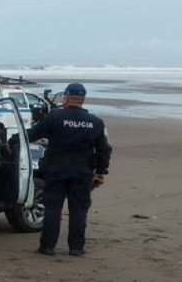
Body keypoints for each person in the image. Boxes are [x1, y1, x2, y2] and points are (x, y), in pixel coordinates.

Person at [9, 83, 112, 256]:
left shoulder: (54, 118)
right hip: (82, 172)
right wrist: (101, 171)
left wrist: (12, 141)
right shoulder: (95, 122)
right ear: (83, 100)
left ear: (66, 98)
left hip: (56, 170)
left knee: (52, 210)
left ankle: (48, 246)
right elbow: (104, 149)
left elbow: (31, 134)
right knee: (78, 211)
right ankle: (76, 247)